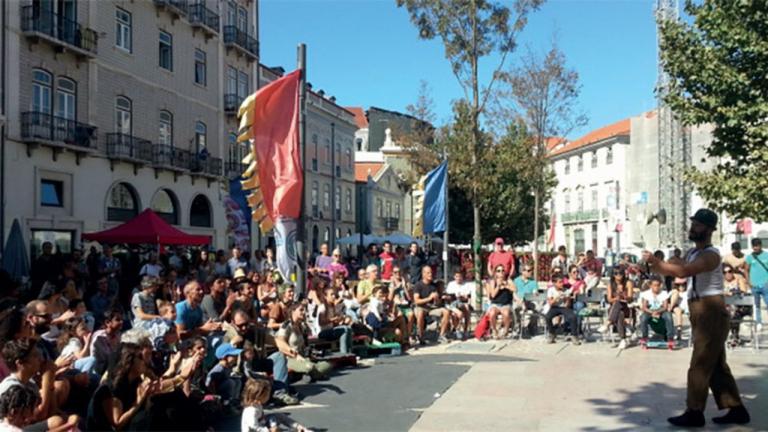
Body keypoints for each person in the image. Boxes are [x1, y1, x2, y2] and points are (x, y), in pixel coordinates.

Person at [644, 208, 750, 427]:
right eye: (693, 224)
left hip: (710, 310)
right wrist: (656, 264)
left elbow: (683, 273)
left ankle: (694, 412)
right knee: (716, 366)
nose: (693, 228)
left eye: (698, 225)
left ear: (710, 230)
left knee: (700, 365)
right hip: (700, 310)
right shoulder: (693, 253)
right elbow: (676, 269)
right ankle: (737, 409)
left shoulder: (711, 255)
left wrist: (658, 262)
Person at [0, 339, 79, 432]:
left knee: (67, 419)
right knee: (57, 422)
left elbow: (52, 410)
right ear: (20, 363)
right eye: (34, 356)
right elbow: (40, 414)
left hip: (24, 427)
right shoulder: (12, 387)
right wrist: (47, 378)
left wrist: (50, 378)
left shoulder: (30, 383)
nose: (40, 359)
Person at [274, 304, 332, 382]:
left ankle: (312, 373)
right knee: (309, 367)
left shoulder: (302, 326)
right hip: (290, 358)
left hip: (303, 357)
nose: (304, 312)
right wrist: (294, 354)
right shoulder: (286, 325)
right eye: (301, 310)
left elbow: (305, 344)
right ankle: (314, 373)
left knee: (328, 365)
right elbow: (280, 342)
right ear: (293, 311)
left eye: (304, 310)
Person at [240, 378, 311, 432]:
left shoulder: (258, 405)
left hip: (262, 424)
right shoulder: (251, 410)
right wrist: (269, 430)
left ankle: (299, 427)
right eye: (267, 394)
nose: (269, 396)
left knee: (278, 416)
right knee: (273, 421)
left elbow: (261, 419)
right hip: (257, 430)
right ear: (260, 395)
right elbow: (253, 427)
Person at [412, 266, 451, 345]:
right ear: (423, 274)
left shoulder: (433, 285)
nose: (430, 274)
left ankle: (442, 335)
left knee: (446, 312)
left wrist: (438, 298)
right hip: (421, 307)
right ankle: (420, 335)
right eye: (428, 273)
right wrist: (429, 298)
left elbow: (437, 302)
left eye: (431, 273)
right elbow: (416, 301)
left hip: (432, 308)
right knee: (420, 313)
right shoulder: (418, 285)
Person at [638, 276, 675, 349]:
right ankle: (644, 337)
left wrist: (657, 312)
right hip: (649, 311)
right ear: (651, 286)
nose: (656, 287)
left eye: (658, 285)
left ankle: (670, 338)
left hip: (661, 311)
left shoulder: (664, 293)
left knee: (669, 316)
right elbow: (644, 307)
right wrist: (652, 312)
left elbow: (665, 306)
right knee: (643, 318)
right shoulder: (646, 294)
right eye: (654, 285)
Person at [602, 265, 634, 349]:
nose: (618, 275)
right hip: (614, 309)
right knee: (619, 313)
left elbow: (630, 298)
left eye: (620, 273)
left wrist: (623, 294)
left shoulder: (628, 283)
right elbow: (609, 299)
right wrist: (617, 297)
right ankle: (623, 339)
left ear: (623, 274)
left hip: (626, 307)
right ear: (613, 275)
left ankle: (608, 322)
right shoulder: (610, 284)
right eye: (616, 273)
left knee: (619, 305)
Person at [543, 276, 581, 345]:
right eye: (560, 282)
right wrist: (557, 297)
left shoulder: (565, 290)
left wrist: (567, 299)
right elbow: (550, 303)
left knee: (573, 316)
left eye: (562, 282)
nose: (562, 284)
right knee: (547, 317)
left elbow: (567, 305)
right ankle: (552, 333)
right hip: (554, 307)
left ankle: (574, 336)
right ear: (554, 283)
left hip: (564, 307)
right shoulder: (551, 290)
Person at [722, 263, 751, 348]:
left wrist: (733, 292)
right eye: (724, 272)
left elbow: (743, 291)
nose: (728, 274)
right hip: (724, 307)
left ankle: (734, 336)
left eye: (730, 271)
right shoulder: (720, 281)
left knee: (733, 313)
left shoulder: (738, 278)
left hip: (740, 306)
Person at [206, 343, 243, 407]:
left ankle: (234, 401)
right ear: (225, 357)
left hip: (223, 389)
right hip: (217, 393)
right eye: (233, 356)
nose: (236, 358)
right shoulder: (218, 369)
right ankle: (226, 403)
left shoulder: (227, 367)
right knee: (230, 382)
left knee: (237, 381)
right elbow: (209, 383)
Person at [744, 238, 768, 332]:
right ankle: (759, 322)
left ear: (760, 245)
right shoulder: (750, 257)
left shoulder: (766, 255)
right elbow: (746, 270)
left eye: (757, 246)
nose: (755, 248)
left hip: (765, 284)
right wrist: (749, 282)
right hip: (754, 285)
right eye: (754, 246)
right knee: (756, 306)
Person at [485, 265, 515, 339]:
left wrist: (506, 285)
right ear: (495, 273)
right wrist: (498, 286)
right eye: (498, 271)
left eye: (502, 270)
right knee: (492, 313)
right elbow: (493, 295)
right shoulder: (493, 281)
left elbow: (515, 289)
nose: (501, 272)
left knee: (506, 313)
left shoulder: (508, 280)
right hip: (495, 303)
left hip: (506, 304)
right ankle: (494, 330)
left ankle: (506, 330)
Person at [445, 270, 472, 340]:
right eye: (457, 276)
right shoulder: (451, 284)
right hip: (453, 303)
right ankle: (457, 330)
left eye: (460, 276)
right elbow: (449, 296)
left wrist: (463, 296)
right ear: (454, 277)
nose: (458, 278)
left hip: (462, 302)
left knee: (467, 308)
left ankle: (465, 330)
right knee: (456, 314)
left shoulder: (466, 285)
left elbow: (468, 297)